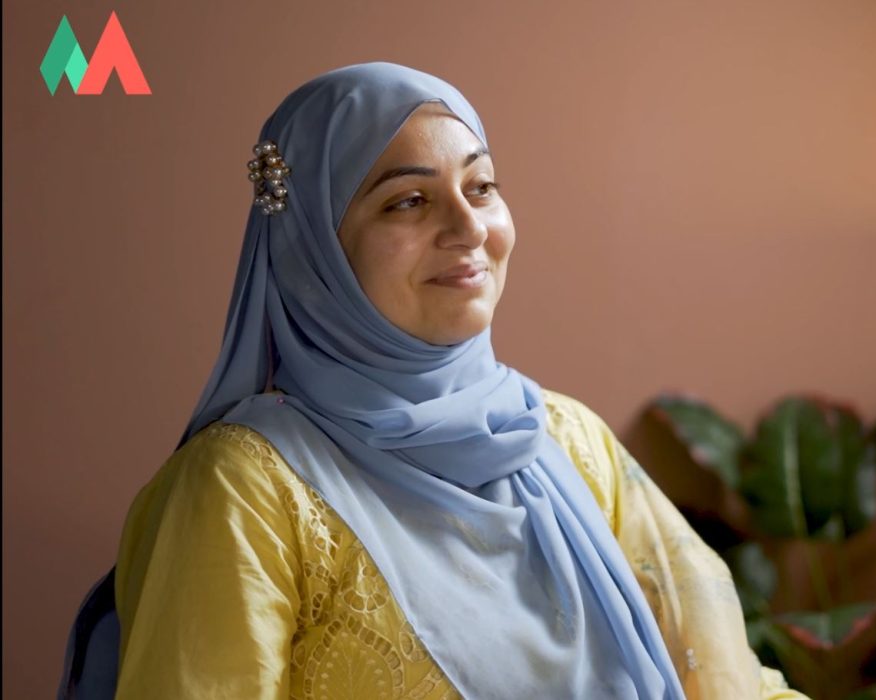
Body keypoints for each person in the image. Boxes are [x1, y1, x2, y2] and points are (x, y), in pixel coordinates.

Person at [58, 62, 805, 700]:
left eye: (481, 187)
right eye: (408, 200)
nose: (468, 226)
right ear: (315, 248)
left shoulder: (563, 440)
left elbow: (727, 680)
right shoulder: (247, 486)